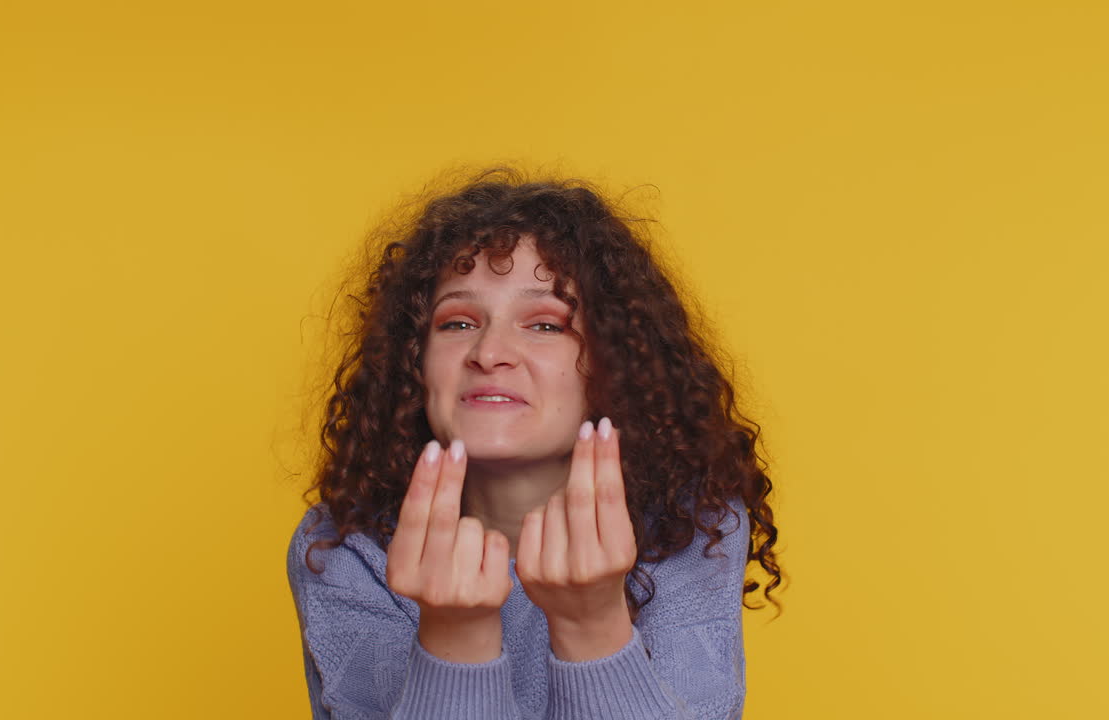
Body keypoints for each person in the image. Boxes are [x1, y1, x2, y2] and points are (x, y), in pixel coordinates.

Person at [286, 167, 782, 719]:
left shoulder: (691, 527)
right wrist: (455, 637)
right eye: (457, 323)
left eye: (545, 325)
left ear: (614, 363)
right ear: (413, 363)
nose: (489, 353)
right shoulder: (344, 548)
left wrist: (593, 627)